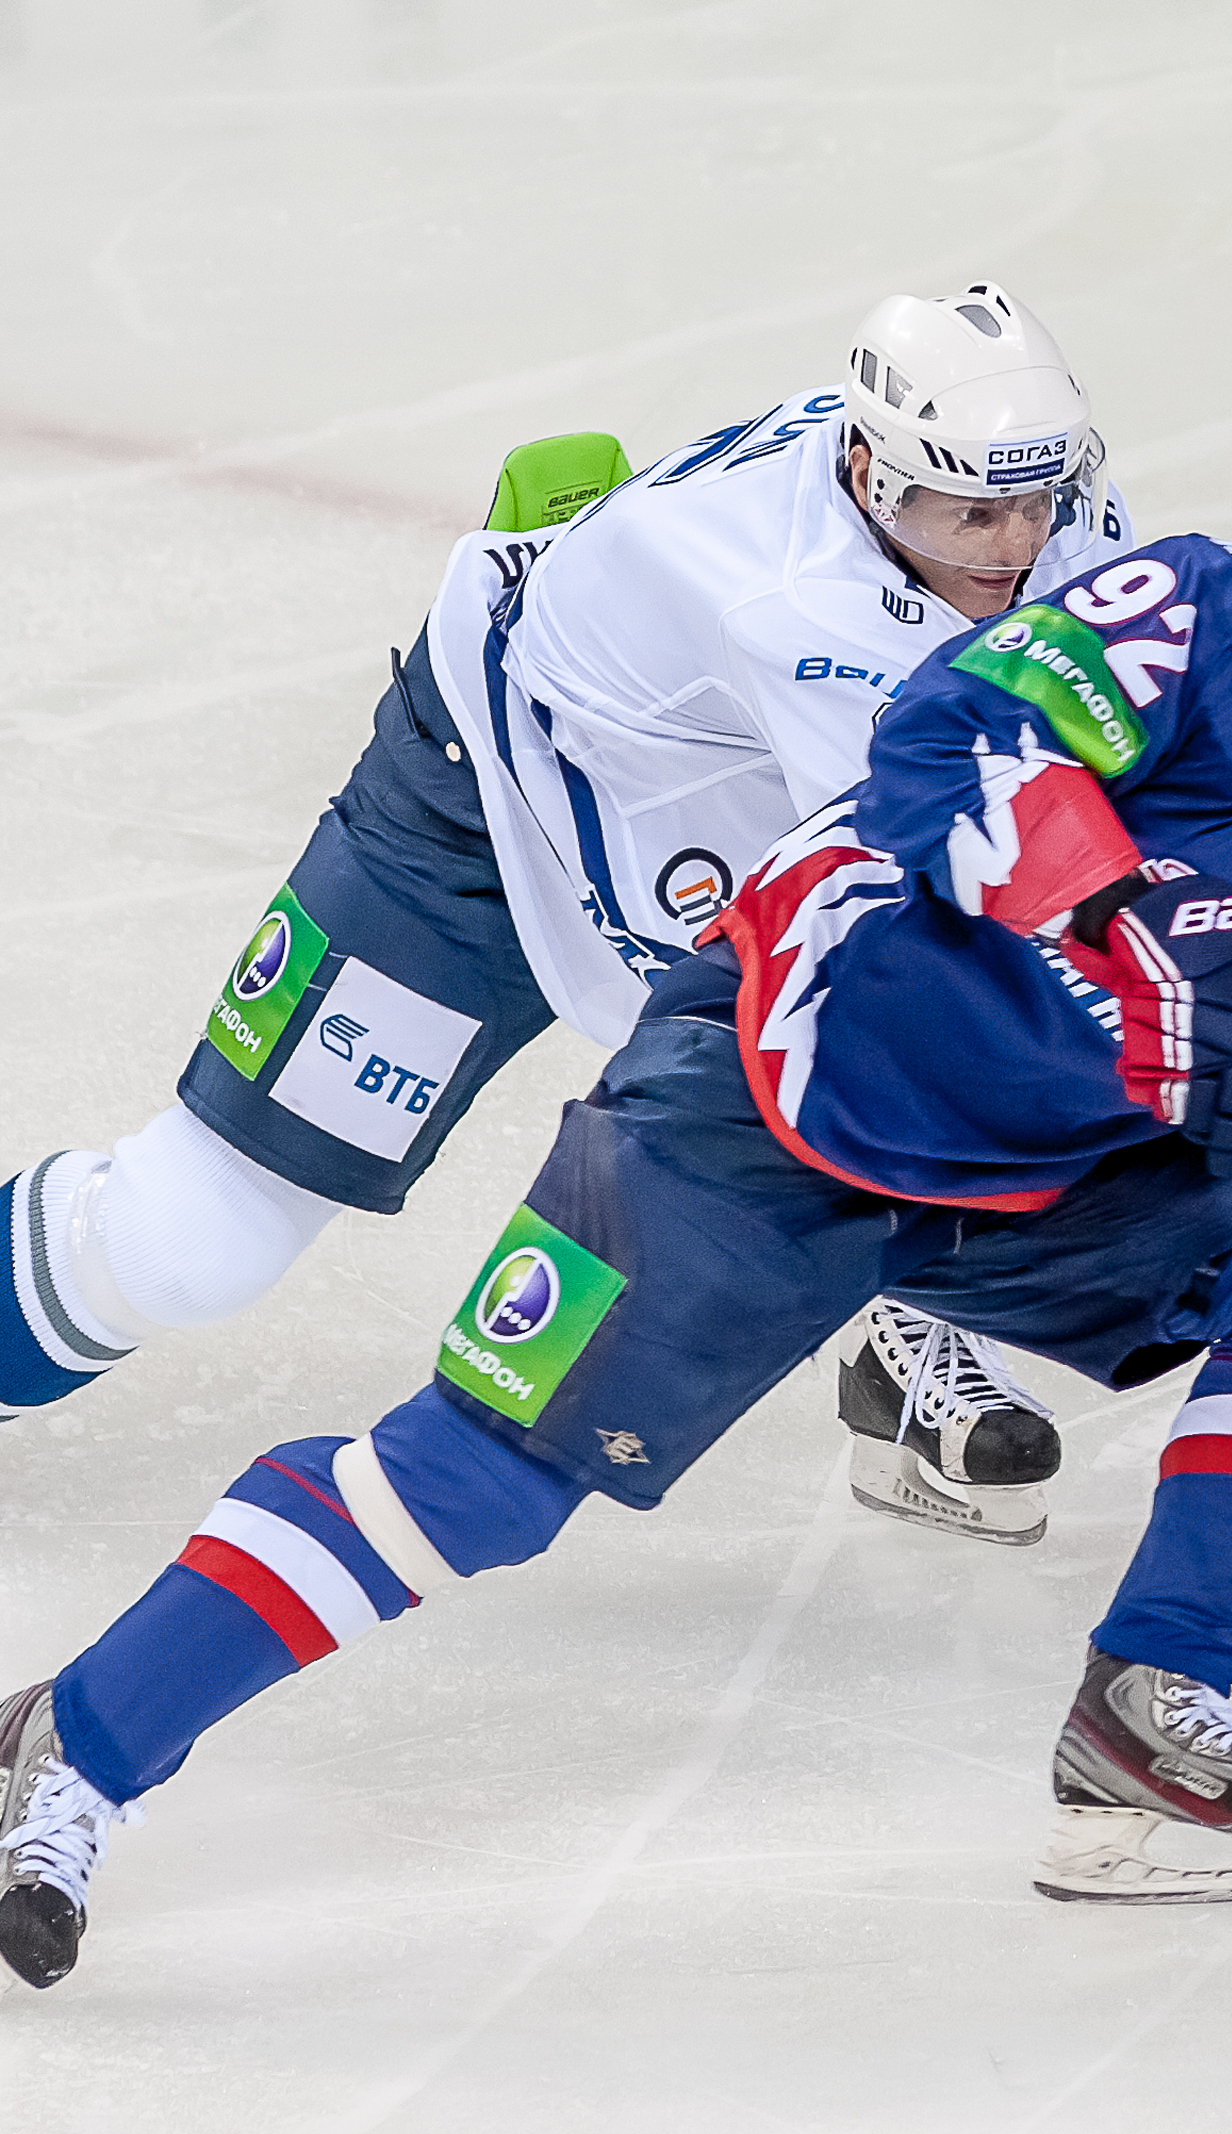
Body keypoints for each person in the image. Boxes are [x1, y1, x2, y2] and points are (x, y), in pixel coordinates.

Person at [0, 416, 1232, 1990]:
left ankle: (1151, 1716)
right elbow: (949, 736)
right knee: (476, 1483)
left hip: (1053, 1180)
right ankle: (78, 1740)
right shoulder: (1211, 621)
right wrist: (1119, 908)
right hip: (782, 1095)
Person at [0, 284, 1139, 1547]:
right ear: (873, 478)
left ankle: (908, 1322)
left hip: (717, 793)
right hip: (484, 818)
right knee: (193, 1240)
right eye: (972, 513)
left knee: (926, 1015)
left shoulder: (1026, 499)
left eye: (1038, 500)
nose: (1015, 545)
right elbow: (963, 878)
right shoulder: (796, 610)